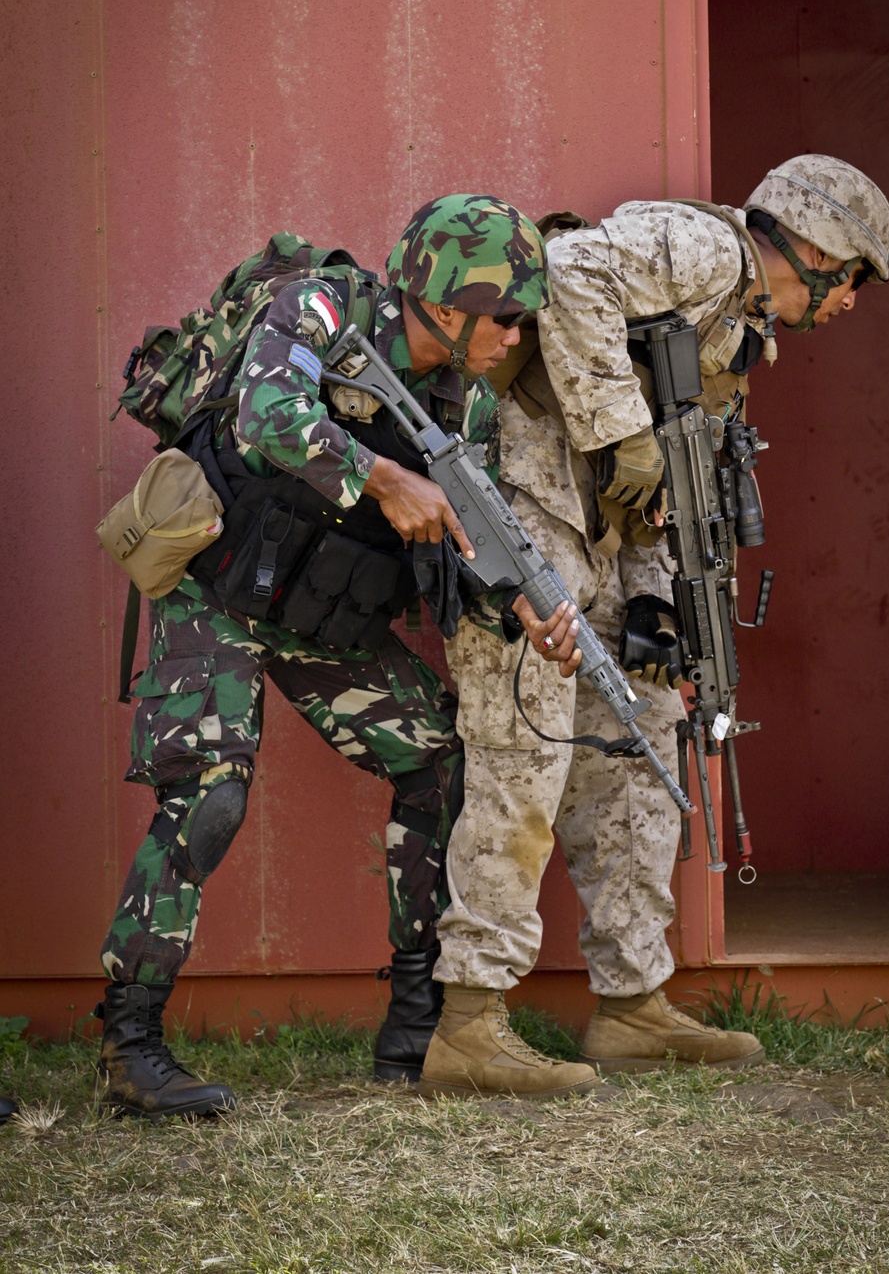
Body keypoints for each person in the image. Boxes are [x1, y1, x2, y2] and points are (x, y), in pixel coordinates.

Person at [419, 155, 889, 1098]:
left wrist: (660, 604)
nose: (850, 305)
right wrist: (621, 432)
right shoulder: (713, 251)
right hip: (525, 503)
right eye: (855, 282)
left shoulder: (740, 325)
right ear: (817, 248)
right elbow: (571, 276)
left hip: (602, 533)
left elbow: (670, 478)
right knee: (526, 748)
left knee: (639, 738)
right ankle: (468, 1021)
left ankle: (633, 1005)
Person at [95, 194, 560, 1119]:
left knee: (434, 757)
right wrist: (383, 477)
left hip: (316, 617)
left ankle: (415, 1029)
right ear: (444, 300)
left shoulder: (459, 398)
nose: (516, 336)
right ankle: (129, 1045)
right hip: (216, 588)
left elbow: (461, 533)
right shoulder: (319, 307)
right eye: (505, 316)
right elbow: (269, 415)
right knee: (210, 796)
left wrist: (525, 611)